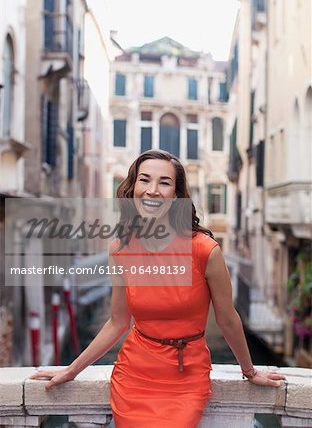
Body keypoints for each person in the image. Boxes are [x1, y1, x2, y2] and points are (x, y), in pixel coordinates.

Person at [30, 150, 286, 428]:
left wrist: (249, 372)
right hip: (133, 374)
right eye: (144, 180)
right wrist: (71, 370)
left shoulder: (204, 250)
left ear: (176, 195)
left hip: (187, 376)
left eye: (164, 182)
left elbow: (227, 319)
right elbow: (117, 323)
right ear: (133, 188)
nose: (152, 190)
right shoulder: (121, 249)